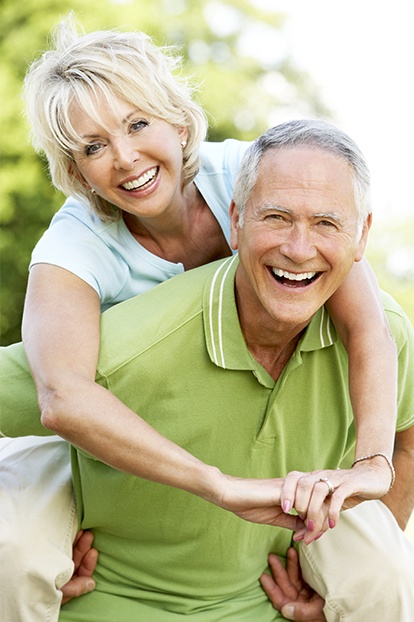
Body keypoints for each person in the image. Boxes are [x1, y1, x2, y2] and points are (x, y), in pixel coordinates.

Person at [0, 17, 400, 619]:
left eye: (138, 124)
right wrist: (218, 485)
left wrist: (373, 461)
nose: (125, 156)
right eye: (92, 146)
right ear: (76, 171)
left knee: (385, 572)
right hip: (108, 441)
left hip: (263, 425)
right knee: (15, 552)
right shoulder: (71, 250)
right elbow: (63, 398)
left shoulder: (260, 177)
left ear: (178, 121)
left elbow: (367, 324)